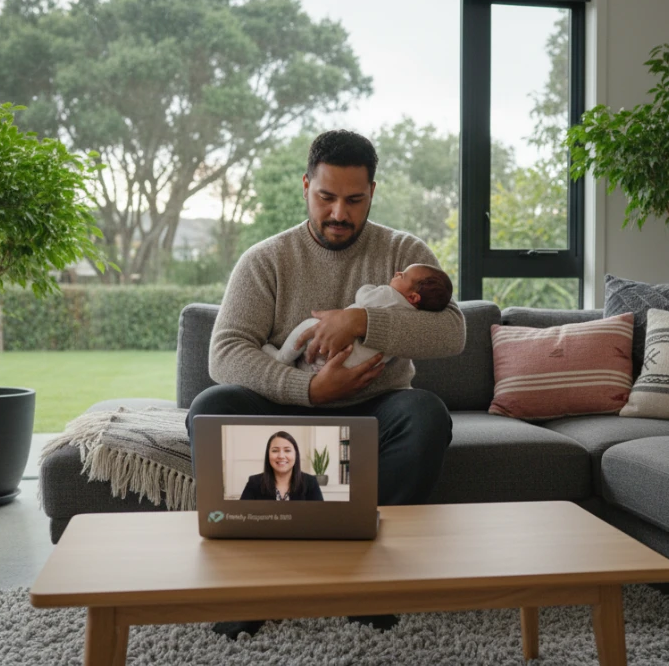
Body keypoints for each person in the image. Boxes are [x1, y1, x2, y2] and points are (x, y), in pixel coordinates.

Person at [187, 129, 466, 640]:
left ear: (372, 193)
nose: (340, 212)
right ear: (305, 187)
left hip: (375, 412)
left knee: (426, 414)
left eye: (354, 200)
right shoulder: (265, 260)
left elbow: (453, 331)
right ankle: (251, 582)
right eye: (327, 197)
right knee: (212, 405)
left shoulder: (403, 252)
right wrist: (309, 392)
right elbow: (225, 353)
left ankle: (368, 581)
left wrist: (361, 321)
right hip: (284, 411)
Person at [262, 264, 453, 372]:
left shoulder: (389, 295)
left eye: (402, 275)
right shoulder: (415, 316)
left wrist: (366, 294)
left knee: (309, 326)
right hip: (353, 367)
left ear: (413, 297)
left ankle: (281, 359)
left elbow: (363, 297)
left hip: (336, 351)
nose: (397, 273)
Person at [239, 431, 324, 501]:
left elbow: (320, 517)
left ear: (296, 454)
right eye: (275, 451)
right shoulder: (254, 483)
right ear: (268, 455)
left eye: (287, 450)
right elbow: (243, 516)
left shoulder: (310, 483)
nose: (281, 456)